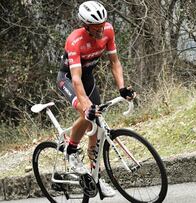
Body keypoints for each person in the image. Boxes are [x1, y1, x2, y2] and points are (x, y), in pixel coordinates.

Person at [56, 1, 135, 197]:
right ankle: (71, 150)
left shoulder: (108, 30)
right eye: (96, 27)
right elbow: (75, 78)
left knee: (97, 130)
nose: (101, 29)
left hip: (88, 78)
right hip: (68, 80)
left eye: (103, 24)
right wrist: (85, 106)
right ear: (85, 25)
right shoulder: (74, 40)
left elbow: (115, 62)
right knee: (88, 114)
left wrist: (122, 88)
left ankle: (95, 178)